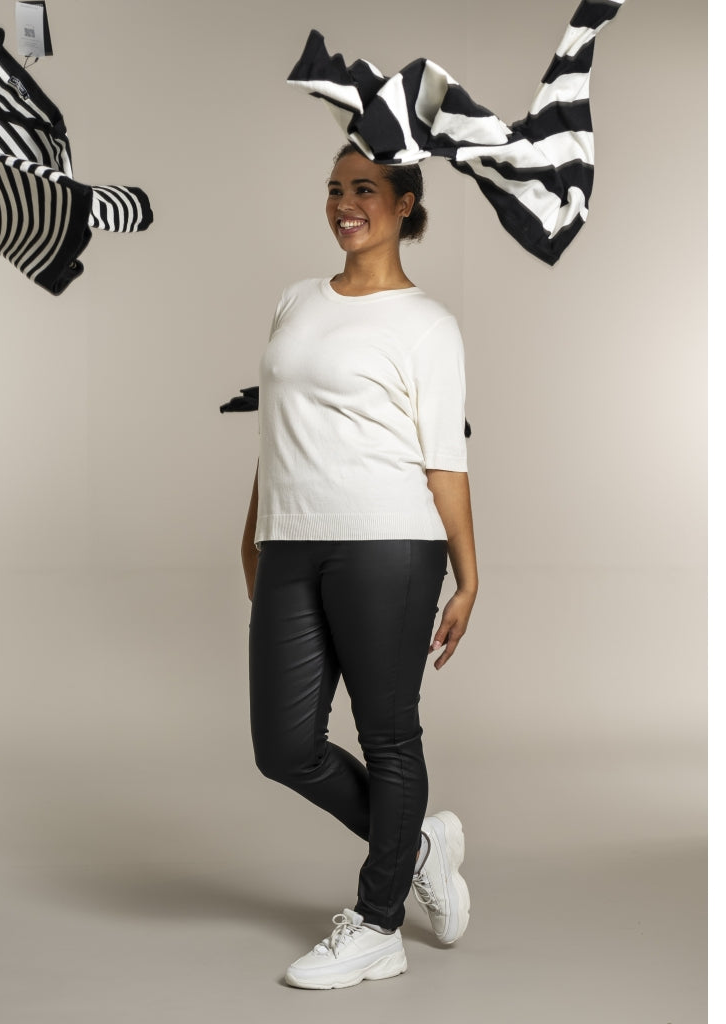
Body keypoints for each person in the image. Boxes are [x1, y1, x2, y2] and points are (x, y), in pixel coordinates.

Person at [241, 143, 478, 990]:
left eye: (366, 190)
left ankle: (379, 924)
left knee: (388, 734)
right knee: (284, 747)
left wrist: (469, 574)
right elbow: (278, 427)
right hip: (291, 540)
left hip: (389, 543)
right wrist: (253, 532)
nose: (346, 204)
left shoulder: (428, 324)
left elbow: (444, 458)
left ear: (405, 204)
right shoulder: (295, 301)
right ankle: (417, 844)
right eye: (337, 189)